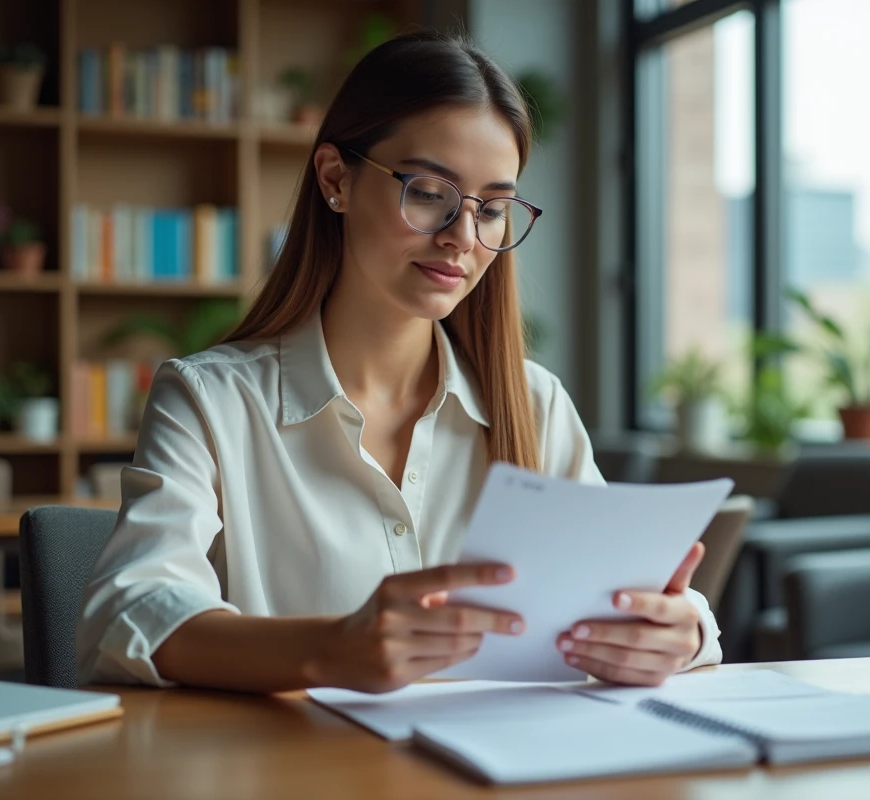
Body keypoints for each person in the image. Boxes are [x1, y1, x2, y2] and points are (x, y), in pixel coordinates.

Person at [75, 31, 722, 694]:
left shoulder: (534, 405)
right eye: (428, 191)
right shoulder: (209, 402)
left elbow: (614, 602)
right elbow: (127, 617)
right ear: (336, 180)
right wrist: (330, 650)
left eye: (493, 209)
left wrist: (678, 630)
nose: (462, 238)